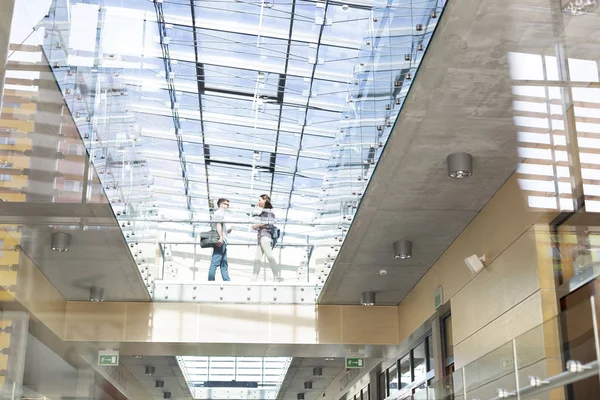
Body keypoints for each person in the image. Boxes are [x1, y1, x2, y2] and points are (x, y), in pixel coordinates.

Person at [251, 194, 282, 282]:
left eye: (259, 200)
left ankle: (276, 277)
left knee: (270, 257)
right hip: (261, 237)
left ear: (265, 200)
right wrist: (258, 226)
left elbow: (269, 223)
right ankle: (254, 278)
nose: (258, 202)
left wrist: (257, 225)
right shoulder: (264, 212)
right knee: (257, 259)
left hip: (265, 237)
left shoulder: (269, 212)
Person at [208, 198, 232, 281]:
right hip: (220, 240)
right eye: (226, 204)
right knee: (215, 262)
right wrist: (221, 237)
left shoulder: (222, 213)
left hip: (223, 240)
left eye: (228, 205)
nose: (227, 206)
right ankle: (210, 282)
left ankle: (227, 281)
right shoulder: (219, 212)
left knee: (224, 263)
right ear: (221, 204)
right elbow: (218, 224)